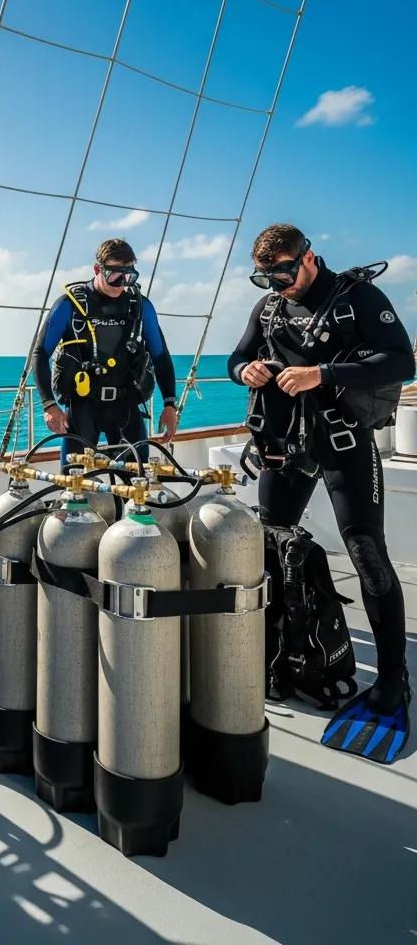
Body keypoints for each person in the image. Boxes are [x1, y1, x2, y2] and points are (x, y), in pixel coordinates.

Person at [228, 223, 414, 764]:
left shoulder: (358, 297)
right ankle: (282, 652)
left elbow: (402, 360)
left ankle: (393, 680)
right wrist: (248, 370)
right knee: (267, 550)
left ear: (309, 259)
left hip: (343, 442)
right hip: (286, 447)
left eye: (284, 271)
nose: (277, 283)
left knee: (366, 553)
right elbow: (233, 359)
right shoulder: (269, 309)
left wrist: (322, 373)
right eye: (266, 276)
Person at [32, 238, 179, 465]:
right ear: (97, 269)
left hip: (126, 406)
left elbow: (160, 357)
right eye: (114, 274)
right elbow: (40, 354)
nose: (121, 282)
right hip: (82, 407)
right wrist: (49, 405)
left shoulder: (140, 306)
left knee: (138, 482)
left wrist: (170, 404)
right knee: (73, 485)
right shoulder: (69, 305)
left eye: (129, 275)